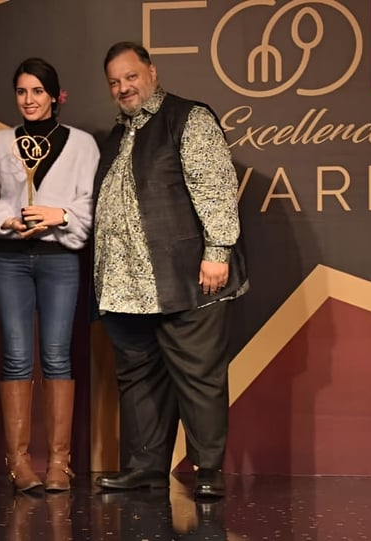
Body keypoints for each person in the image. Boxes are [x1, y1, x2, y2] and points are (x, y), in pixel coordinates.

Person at [92, 42, 248, 498]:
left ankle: (208, 472)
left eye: (131, 76)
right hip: (126, 290)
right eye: (115, 82)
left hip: (188, 280)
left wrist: (217, 252)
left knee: (198, 377)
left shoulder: (189, 118)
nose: (124, 87)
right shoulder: (117, 135)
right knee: (138, 379)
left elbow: (215, 187)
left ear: (152, 73)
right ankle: (145, 467)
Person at [0, 58, 98, 492]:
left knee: (57, 355)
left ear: (56, 96)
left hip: (59, 258)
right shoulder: (0, 143)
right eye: (22, 92)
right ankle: (19, 464)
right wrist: (9, 221)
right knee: (17, 356)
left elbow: (91, 203)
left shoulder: (82, 145)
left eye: (37, 92)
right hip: (10, 259)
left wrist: (57, 215)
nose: (29, 100)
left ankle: (60, 464)